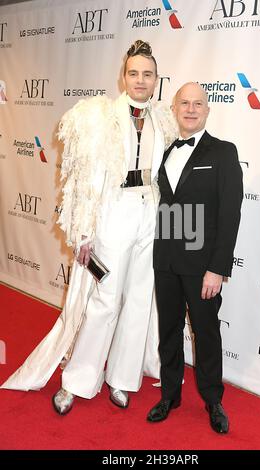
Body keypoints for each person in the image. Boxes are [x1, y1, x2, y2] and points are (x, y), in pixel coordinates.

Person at [1, 40, 177, 414]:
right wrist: (84, 233)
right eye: (134, 73)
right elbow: (81, 179)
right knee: (105, 298)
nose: (140, 80)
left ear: (156, 78)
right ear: (123, 76)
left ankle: (122, 379)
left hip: (151, 211)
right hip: (114, 211)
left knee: (140, 299)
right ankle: (78, 380)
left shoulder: (164, 119)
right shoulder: (97, 116)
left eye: (147, 74)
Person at [147, 82, 243, 433]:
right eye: (184, 103)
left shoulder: (223, 152)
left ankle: (213, 400)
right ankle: (170, 395)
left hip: (202, 265)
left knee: (206, 332)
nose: (190, 109)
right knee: (168, 330)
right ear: (175, 109)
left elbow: (230, 214)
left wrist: (217, 268)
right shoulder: (164, 151)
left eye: (197, 103)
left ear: (207, 109)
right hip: (166, 258)